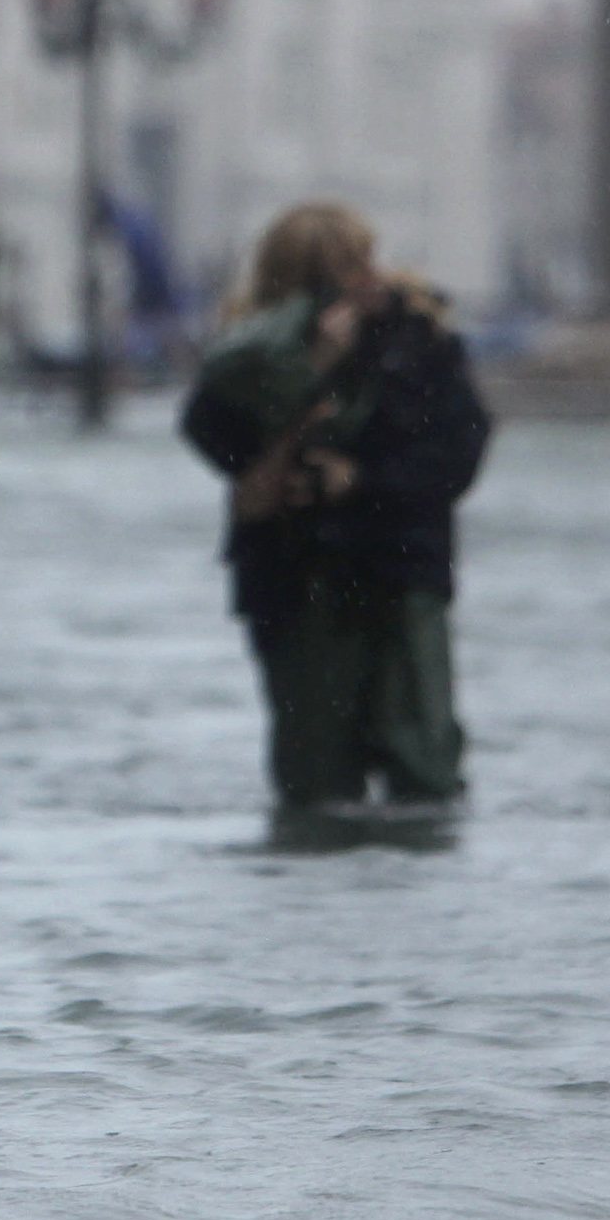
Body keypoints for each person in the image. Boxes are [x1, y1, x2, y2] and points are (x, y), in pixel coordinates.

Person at [181, 203, 490, 809]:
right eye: (337, 271)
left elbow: (454, 454)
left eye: (360, 263)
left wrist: (359, 481)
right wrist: (308, 370)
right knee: (314, 777)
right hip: (296, 578)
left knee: (423, 764)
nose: (360, 282)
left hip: (400, 569)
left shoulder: (417, 342)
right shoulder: (249, 360)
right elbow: (220, 441)